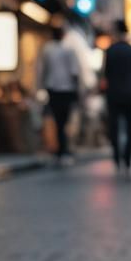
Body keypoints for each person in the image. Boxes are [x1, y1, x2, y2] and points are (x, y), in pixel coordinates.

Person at [102, 19, 131, 175]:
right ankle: (127, 159)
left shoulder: (110, 51)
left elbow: (105, 74)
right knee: (129, 126)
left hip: (114, 93)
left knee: (114, 126)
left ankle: (116, 158)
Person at [38, 25, 81, 165]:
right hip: (67, 89)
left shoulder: (47, 49)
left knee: (57, 121)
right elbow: (75, 72)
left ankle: (60, 150)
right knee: (64, 121)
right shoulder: (69, 50)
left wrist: (40, 86)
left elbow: (42, 70)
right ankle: (63, 150)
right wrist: (77, 90)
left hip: (53, 88)